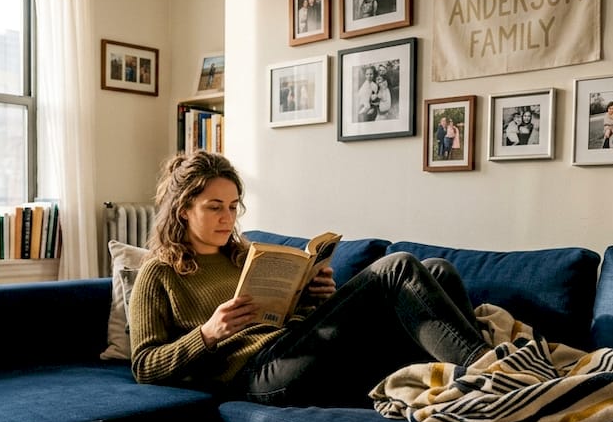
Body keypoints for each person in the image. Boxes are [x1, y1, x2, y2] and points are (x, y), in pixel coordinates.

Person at [129, 151, 491, 407]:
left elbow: (280, 316)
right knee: (397, 267)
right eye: (214, 207)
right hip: (259, 374)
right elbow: (144, 364)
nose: (228, 217)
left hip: (297, 350)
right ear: (183, 210)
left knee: (438, 269)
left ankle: (472, 380)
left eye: (233, 205)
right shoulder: (159, 272)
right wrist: (207, 334)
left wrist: (317, 299)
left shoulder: (244, 255)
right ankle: (494, 373)